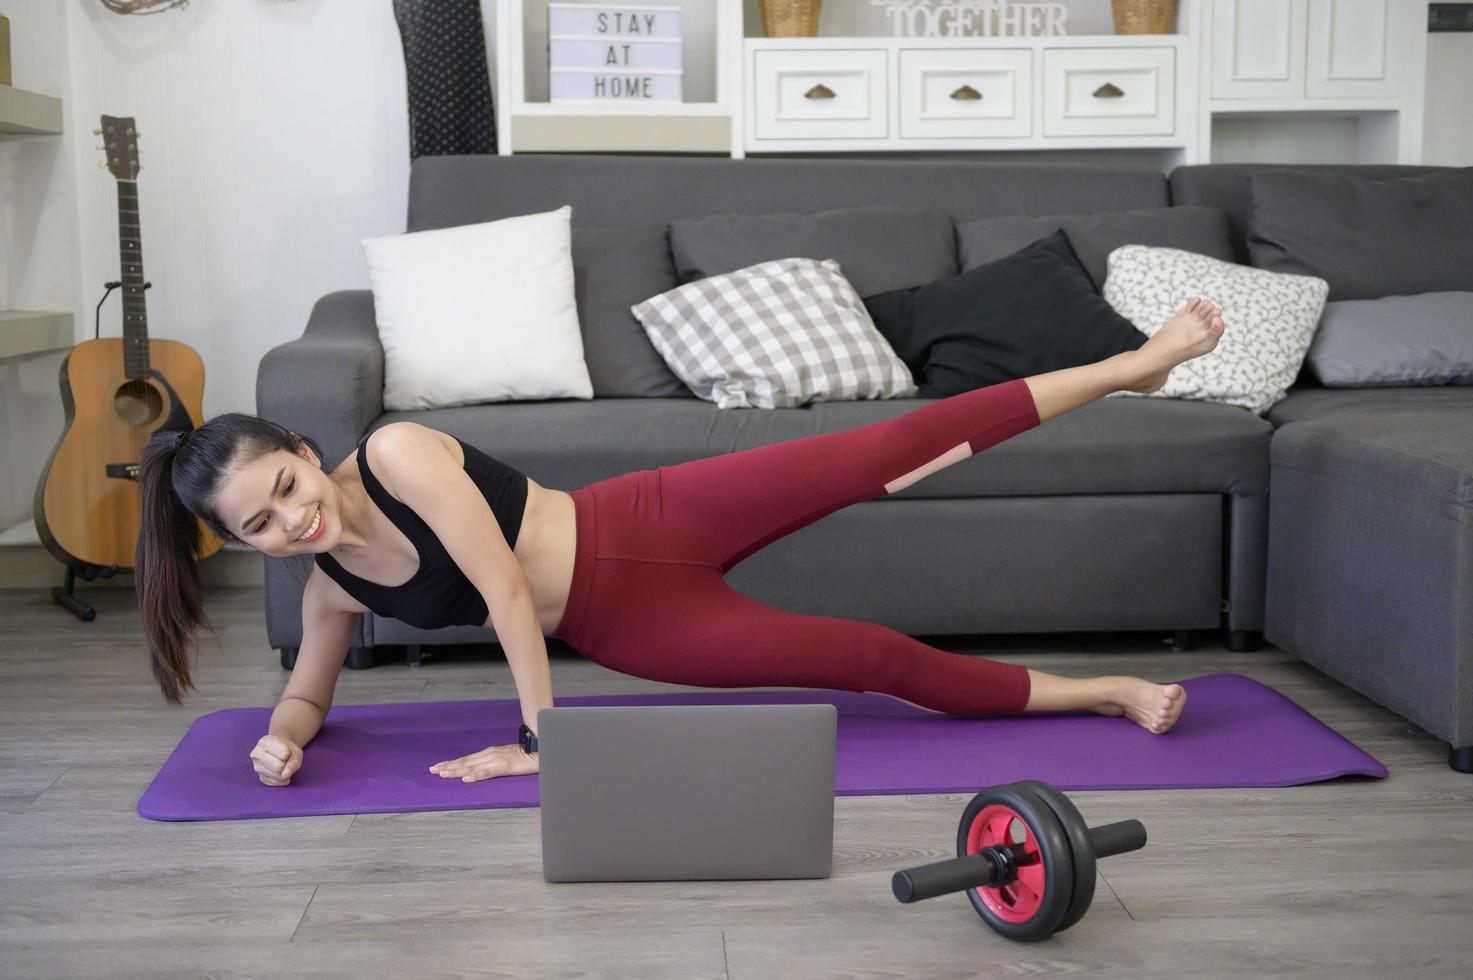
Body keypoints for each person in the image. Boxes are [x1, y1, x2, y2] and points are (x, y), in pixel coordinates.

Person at [137, 298, 1226, 788]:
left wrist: (539, 740)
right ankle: (1109, 691)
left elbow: (508, 593)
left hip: (646, 517)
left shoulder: (398, 452)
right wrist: (284, 737)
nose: (293, 521)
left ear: (298, 444)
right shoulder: (327, 583)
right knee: (869, 662)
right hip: (639, 625)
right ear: (244, 542)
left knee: (885, 447)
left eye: (283, 487)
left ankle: (1128, 368)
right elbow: (310, 695)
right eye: (260, 526)